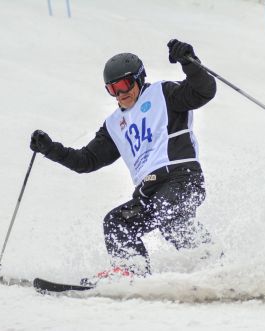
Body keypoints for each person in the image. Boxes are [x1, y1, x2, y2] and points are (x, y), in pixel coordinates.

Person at [30, 39, 217, 284]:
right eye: (112, 89)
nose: (120, 93)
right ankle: (132, 273)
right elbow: (86, 160)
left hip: (181, 178)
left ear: (138, 79)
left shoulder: (163, 93)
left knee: (168, 210)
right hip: (148, 191)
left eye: (124, 84)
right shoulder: (114, 125)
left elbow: (203, 91)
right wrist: (50, 149)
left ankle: (214, 264)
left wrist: (188, 62)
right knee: (117, 222)